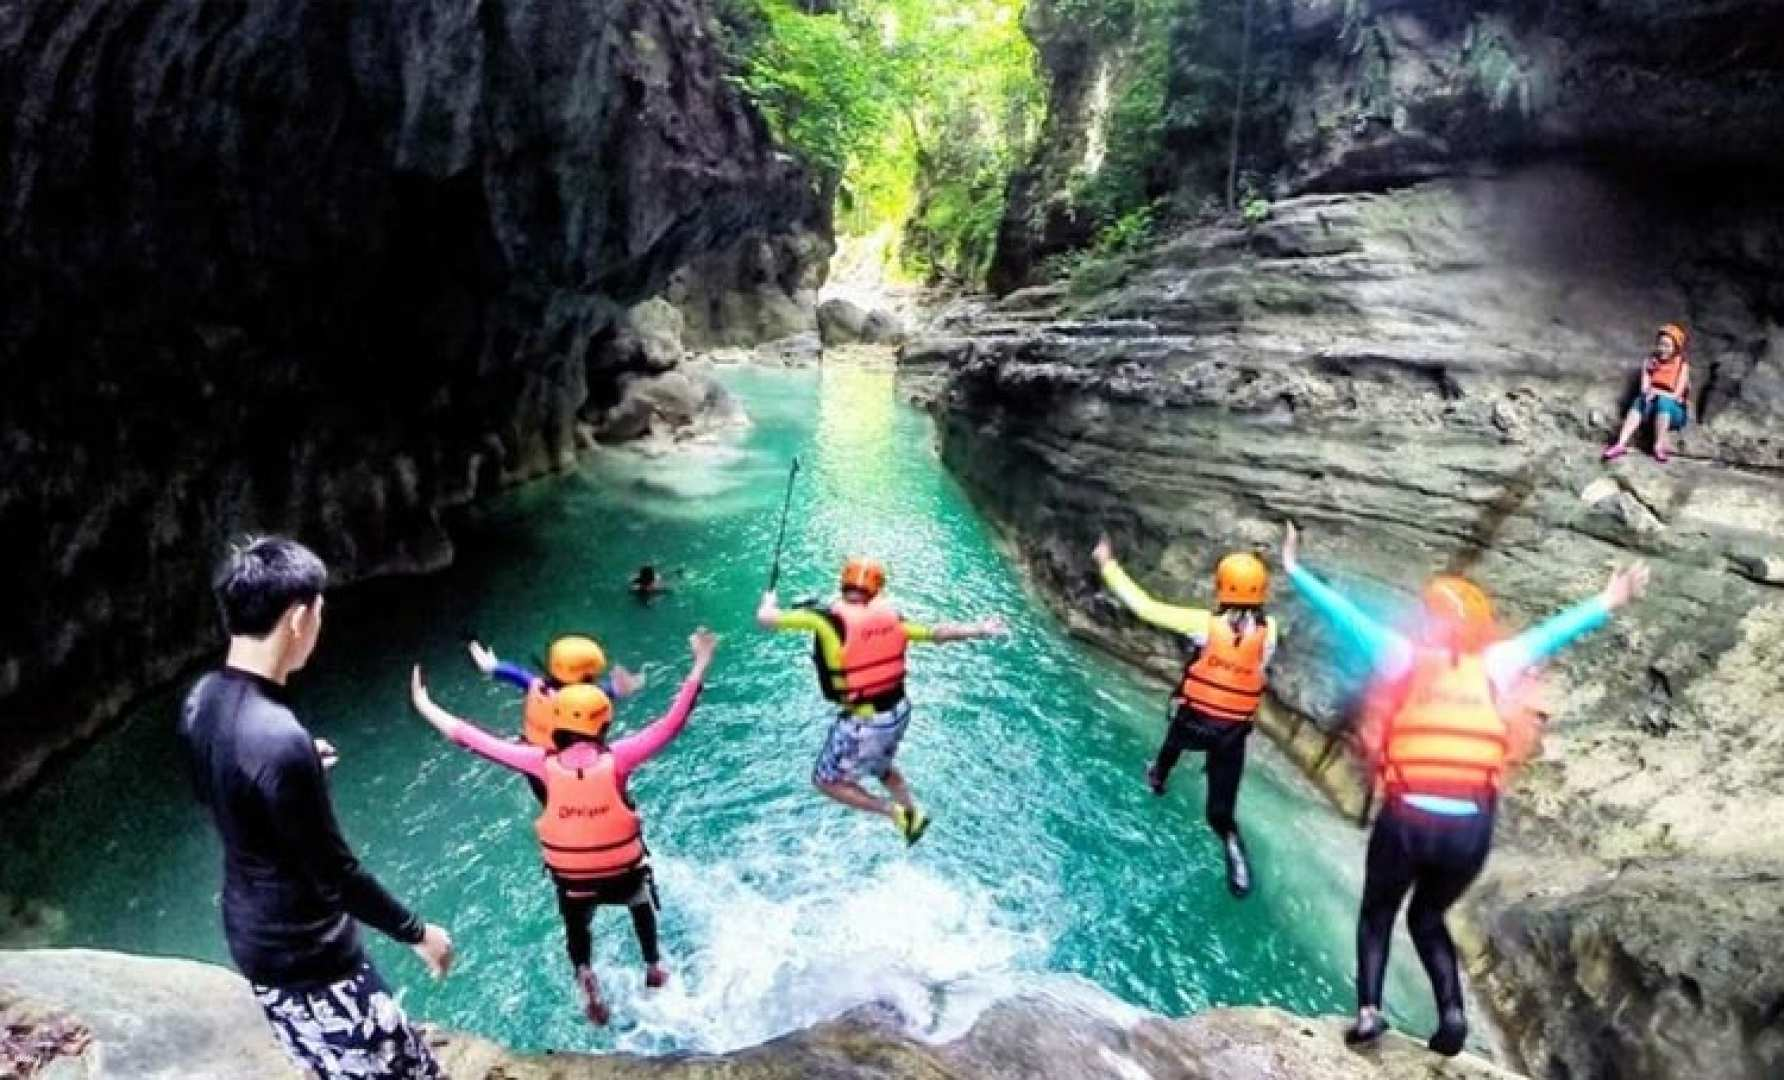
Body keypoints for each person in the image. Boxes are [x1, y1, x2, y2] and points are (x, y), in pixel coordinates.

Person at [1282, 521, 1648, 1056]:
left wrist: (1294, 569)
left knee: (1378, 912)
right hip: (1468, 828)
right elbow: (1557, 631)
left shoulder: (1401, 654)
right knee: (1428, 916)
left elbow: (1342, 614)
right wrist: (1610, 598)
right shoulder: (1498, 664)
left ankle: (1368, 1012)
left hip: (1408, 816)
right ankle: (1452, 1013)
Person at [179, 537, 453, 1080]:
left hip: (252, 941)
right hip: (311, 958)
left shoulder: (202, 698)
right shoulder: (278, 738)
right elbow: (337, 875)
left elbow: (217, 788)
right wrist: (420, 933)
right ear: (299, 619)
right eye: (321, 611)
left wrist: (295, 773)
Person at [411, 628, 715, 1026]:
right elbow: (671, 722)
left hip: (575, 882)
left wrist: (424, 703)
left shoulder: (538, 762)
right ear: (604, 723)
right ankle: (654, 965)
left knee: (576, 926)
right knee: (641, 902)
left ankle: (585, 973)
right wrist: (700, 663)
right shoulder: (620, 758)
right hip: (623, 874)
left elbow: (472, 739)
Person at [756, 557, 1004, 845]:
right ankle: (913, 815)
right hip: (898, 713)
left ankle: (893, 812)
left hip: (865, 720)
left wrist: (769, 600)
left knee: (827, 782)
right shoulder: (893, 620)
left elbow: (766, 620)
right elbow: (937, 634)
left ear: (843, 584)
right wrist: (980, 629)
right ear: (876, 592)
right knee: (881, 768)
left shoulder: (823, 619)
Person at [1091, 537, 1277, 898]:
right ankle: (1235, 854)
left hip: (1195, 722)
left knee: (1174, 737)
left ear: (1220, 587)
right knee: (1219, 814)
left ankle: (1158, 777)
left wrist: (1107, 563)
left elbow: (1144, 606)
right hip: (1231, 734)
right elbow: (1255, 664)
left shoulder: (1203, 624)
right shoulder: (1270, 631)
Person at [1603, 322, 1692, 463]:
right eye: (1661, 344)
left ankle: (1659, 446)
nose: (1663, 349)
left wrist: (1657, 393)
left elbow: (1676, 394)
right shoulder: (1650, 362)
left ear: (1675, 348)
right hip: (1652, 407)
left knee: (1664, 401)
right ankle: (1620, 444)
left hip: (1674, 411)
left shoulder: (1682, 366)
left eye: (1667, 346)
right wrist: (1649, 393)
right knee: (1639, 400)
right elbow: (1644, 388)